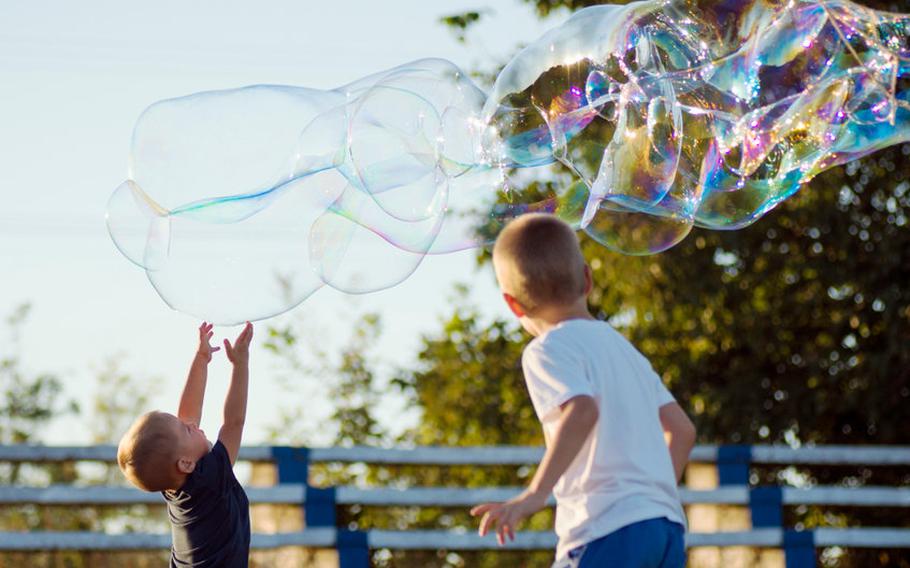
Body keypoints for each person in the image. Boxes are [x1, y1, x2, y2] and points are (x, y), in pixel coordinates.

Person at [470, 214, 696, 568]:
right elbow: (682, 431)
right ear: (587, 279)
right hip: (664, 528)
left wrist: (534, 494)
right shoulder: (625, 350)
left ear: (513, 304)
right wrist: (650, 499)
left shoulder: (546, 350)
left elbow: (583, 411)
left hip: (605, 528)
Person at [117, 322, 254, 568]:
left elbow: (188, 414)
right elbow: (234, 423)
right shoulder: (210, 481)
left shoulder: (177, 485)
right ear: (186, 463)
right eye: (187, 430)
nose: (192, 424)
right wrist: (240, 365)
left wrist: (202, 360)